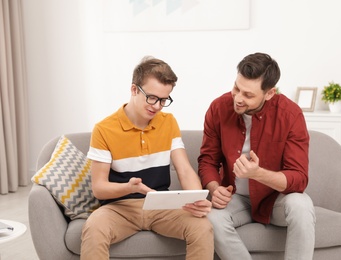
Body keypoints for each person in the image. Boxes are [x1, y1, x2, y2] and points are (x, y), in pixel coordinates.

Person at [81, 56, 214, 260]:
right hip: (119, 209)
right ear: (134, 90)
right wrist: (130, 187)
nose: (157, 106)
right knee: (94, 228)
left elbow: (184, 169)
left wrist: (198, 198)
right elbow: (99, 187)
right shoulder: (104, 129)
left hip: (161, 205)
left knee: (202, 227)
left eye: (163, 100)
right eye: (152, 97)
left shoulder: (168, 122)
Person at [198, 52, 316, 260]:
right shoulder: (218, 108)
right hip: (236, 198)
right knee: (210, 218)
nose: (238, 98)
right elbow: (207, 160)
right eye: (236, 88)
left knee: (301, 204)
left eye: (249, 95)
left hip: (276, 199)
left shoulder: (290, 114)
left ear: (269, 93)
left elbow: (298, 179)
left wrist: (258, 174)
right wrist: (215, 189)